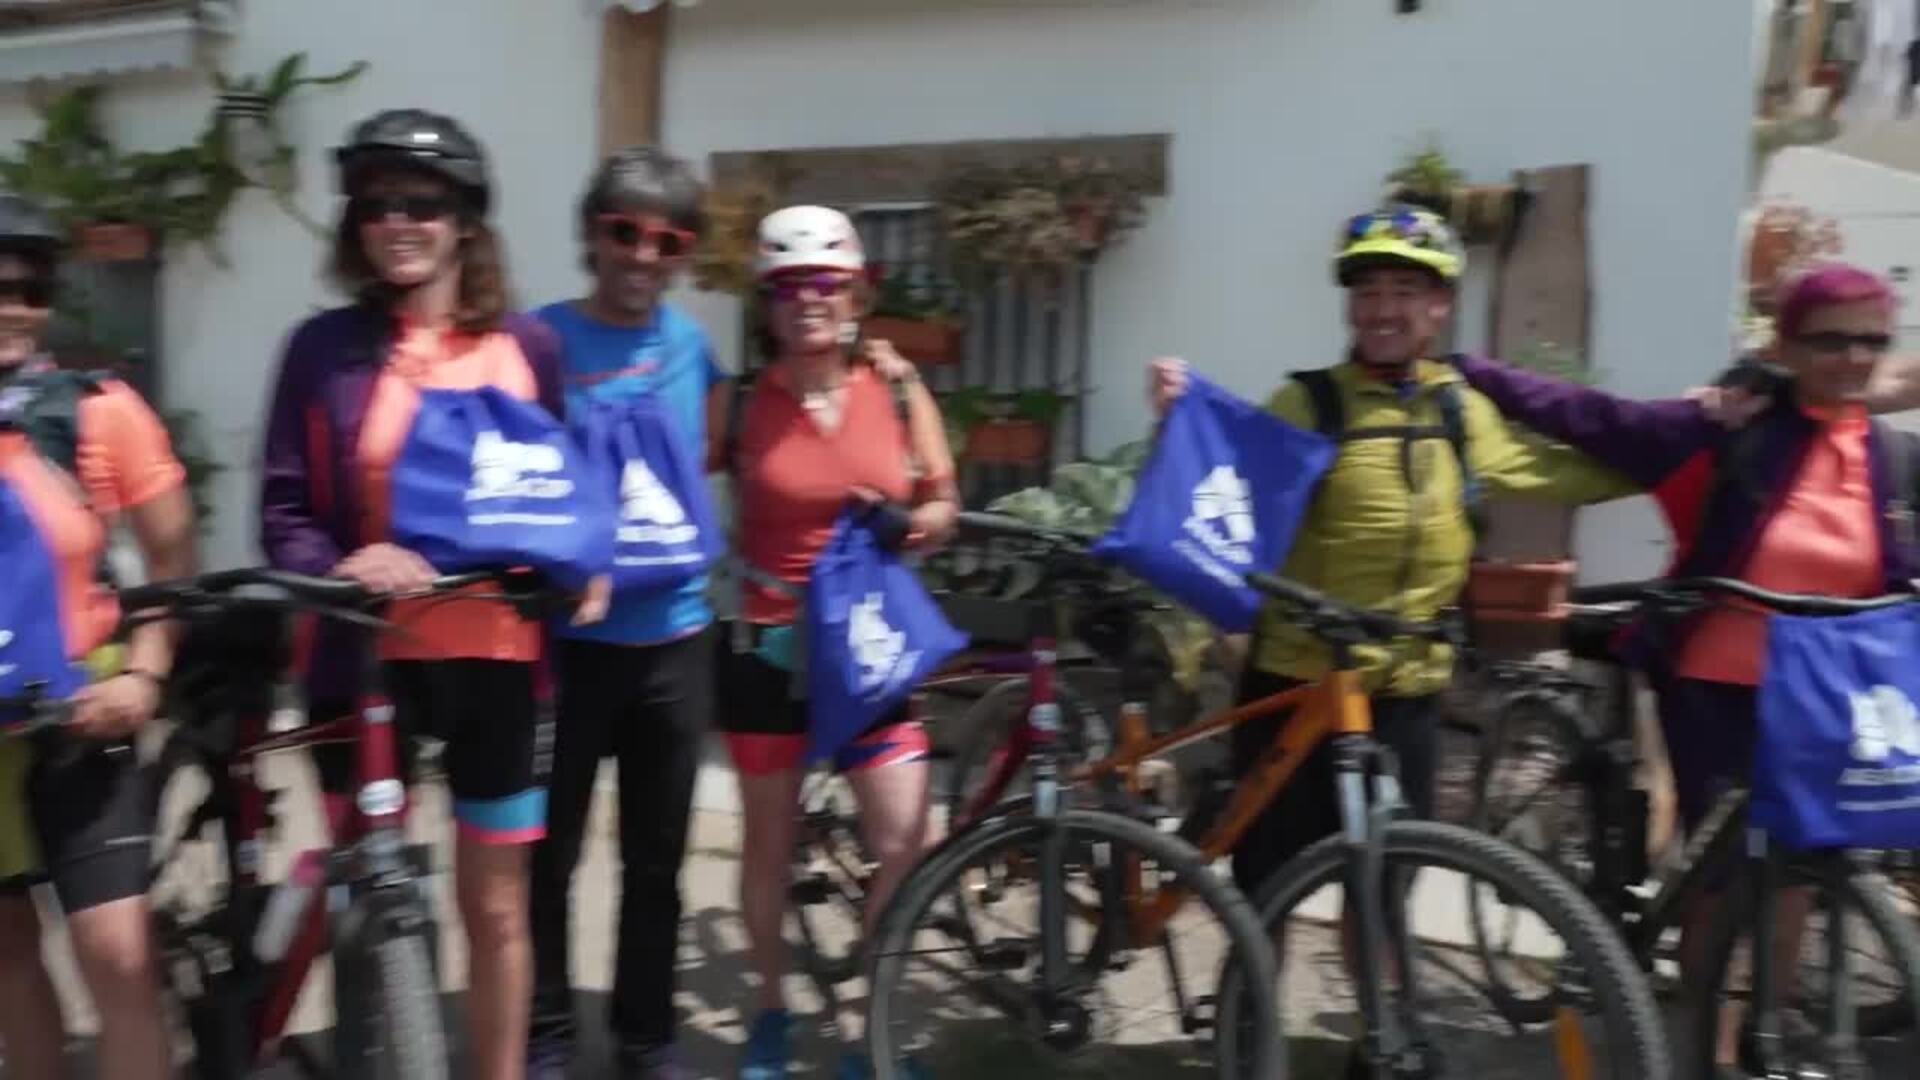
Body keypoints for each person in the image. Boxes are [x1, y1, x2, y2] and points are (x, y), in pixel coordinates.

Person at [1148, 204, 1634, 1077]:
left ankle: (1382, 1052)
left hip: (1407, 691)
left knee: (1383, 889)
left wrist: (1677, 447)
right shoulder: (1312, 401)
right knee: (1267, 890)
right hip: (1300, 686)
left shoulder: (1460, 409)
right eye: (1369, 290)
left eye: (1405, 291)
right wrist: (1178, 417)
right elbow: (1228, 479)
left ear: (1439, 307)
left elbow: (1551, 469)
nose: (1383, 309)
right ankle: (1246, 1049)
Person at [1445, 263, 1920, 1057]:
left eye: (1871, 341)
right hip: (1717, 682)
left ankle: (1764, 1025)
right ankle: (1708, 1039)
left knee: (1804, 863)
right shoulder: (1732, 428)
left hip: (1831, 687)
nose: (1853, 357)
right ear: (1785, 347)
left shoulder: (1891, 456)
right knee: (1726, 869)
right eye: (1830, 341)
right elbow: (1591, 417)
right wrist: (1473, 371)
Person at [257, 109, 582, 1080]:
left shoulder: (529, 346)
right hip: (365, 657)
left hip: (497, 657)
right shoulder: (322, 350)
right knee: (368, 894)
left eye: (422, 204)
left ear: (466, 220)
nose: (398, 222)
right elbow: (284, 509)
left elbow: (558, 492)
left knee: (497, 906)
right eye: (376, 205)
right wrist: (347, 561)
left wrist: (583, 562)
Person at [716, 205, 958, 1080]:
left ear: (855, 295)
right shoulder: (738, 403)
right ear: (767, 304)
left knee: (906, 838)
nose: (808, 299)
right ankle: (771, 1010)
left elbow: (944, 501)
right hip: (767, 645)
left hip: (867, 644)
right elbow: (657, 480)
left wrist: (915, 525)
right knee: (768, 848)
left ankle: (865, 1020)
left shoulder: (894, 390)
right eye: (788, 286)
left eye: (826, 283)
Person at [525, 146, 723, 1080]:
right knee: (548, 855)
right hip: (565, 646)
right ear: (591, 234)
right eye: (625, 231)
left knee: (657, 860)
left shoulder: (694, 348)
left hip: (676, 640)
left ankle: (645, 1038)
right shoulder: (539, 342)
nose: (644, 254)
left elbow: (712, 456)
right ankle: (549, 1033)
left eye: (668, 240)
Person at [0, 192, 196, 1080]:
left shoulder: (97, 408)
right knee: (7, 954)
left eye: (32, 288)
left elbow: (171, 559)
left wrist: (144, 678)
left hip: (85, 717)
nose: (13, 306)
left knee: (119, 957)